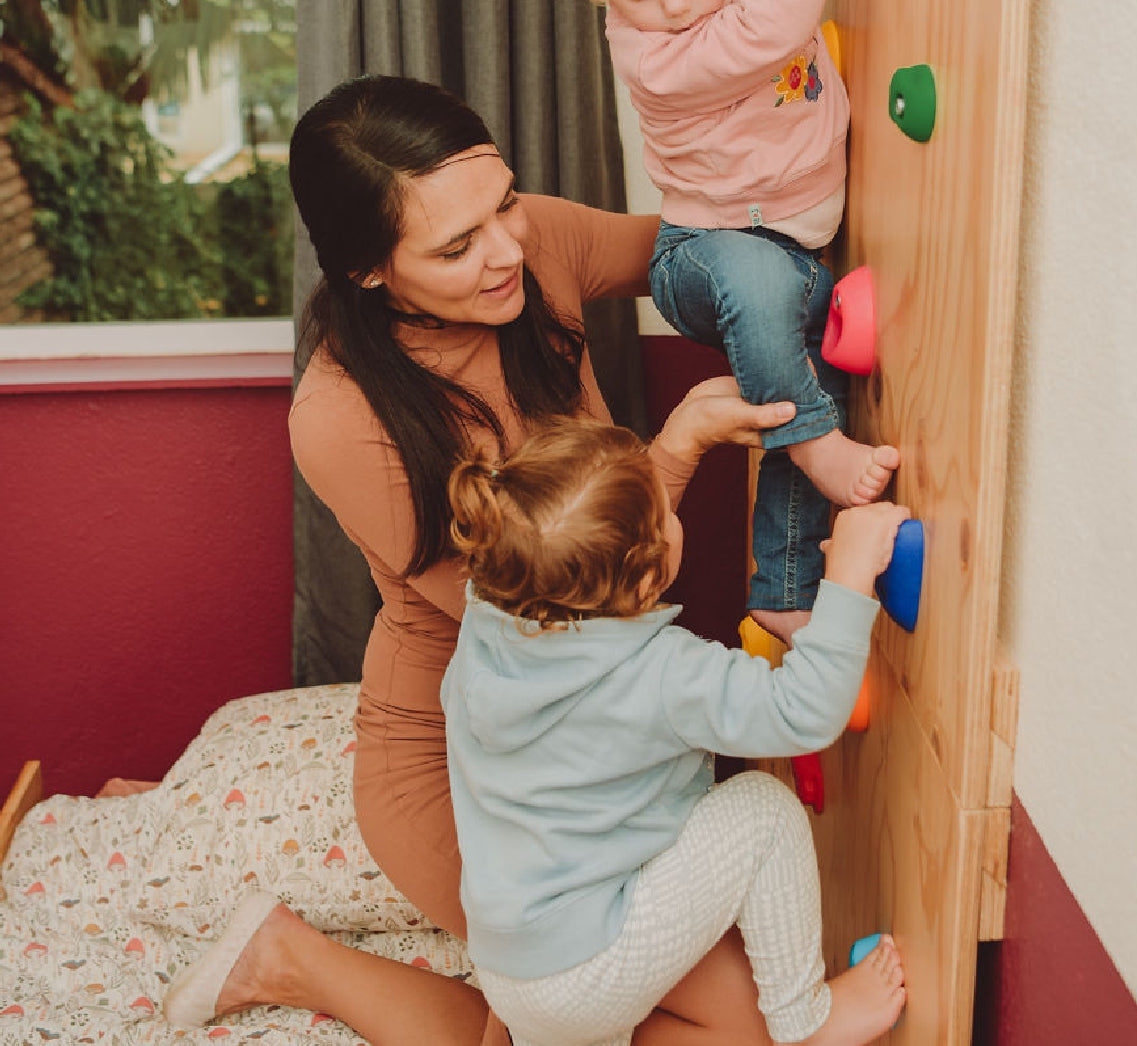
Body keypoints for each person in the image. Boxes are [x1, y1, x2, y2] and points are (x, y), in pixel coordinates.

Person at [163, 73, 816, 1046]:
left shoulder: (521, 242)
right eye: (457, 246)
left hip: (588, 729)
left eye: (503, 200)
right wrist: (673, 453)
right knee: (655, 1027)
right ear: (370, 272)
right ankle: (293, 958)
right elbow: (557, 614)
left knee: (740, 1016)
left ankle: (293, 954)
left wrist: (792, 228)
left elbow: (695, 252)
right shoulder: (342, 420)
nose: (508, 248)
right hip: (465, 757)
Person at [442, 417, 908, 1046]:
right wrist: (849, 574)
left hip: (510, 968)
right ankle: (808, 1025)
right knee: (763, 813)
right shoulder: (661, 673)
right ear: (644, 580)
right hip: (586, 963)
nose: (673, 515)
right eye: (666, 513)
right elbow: (805, 712)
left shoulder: (484, 627)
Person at [542, 0, 900, 651]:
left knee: (799, 372)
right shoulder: (656, 57)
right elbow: (771, 27)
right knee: (771, 319)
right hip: (705, 253)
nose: (672, 2)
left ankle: (786, 589)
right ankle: (812, 439)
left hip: (798, 248)